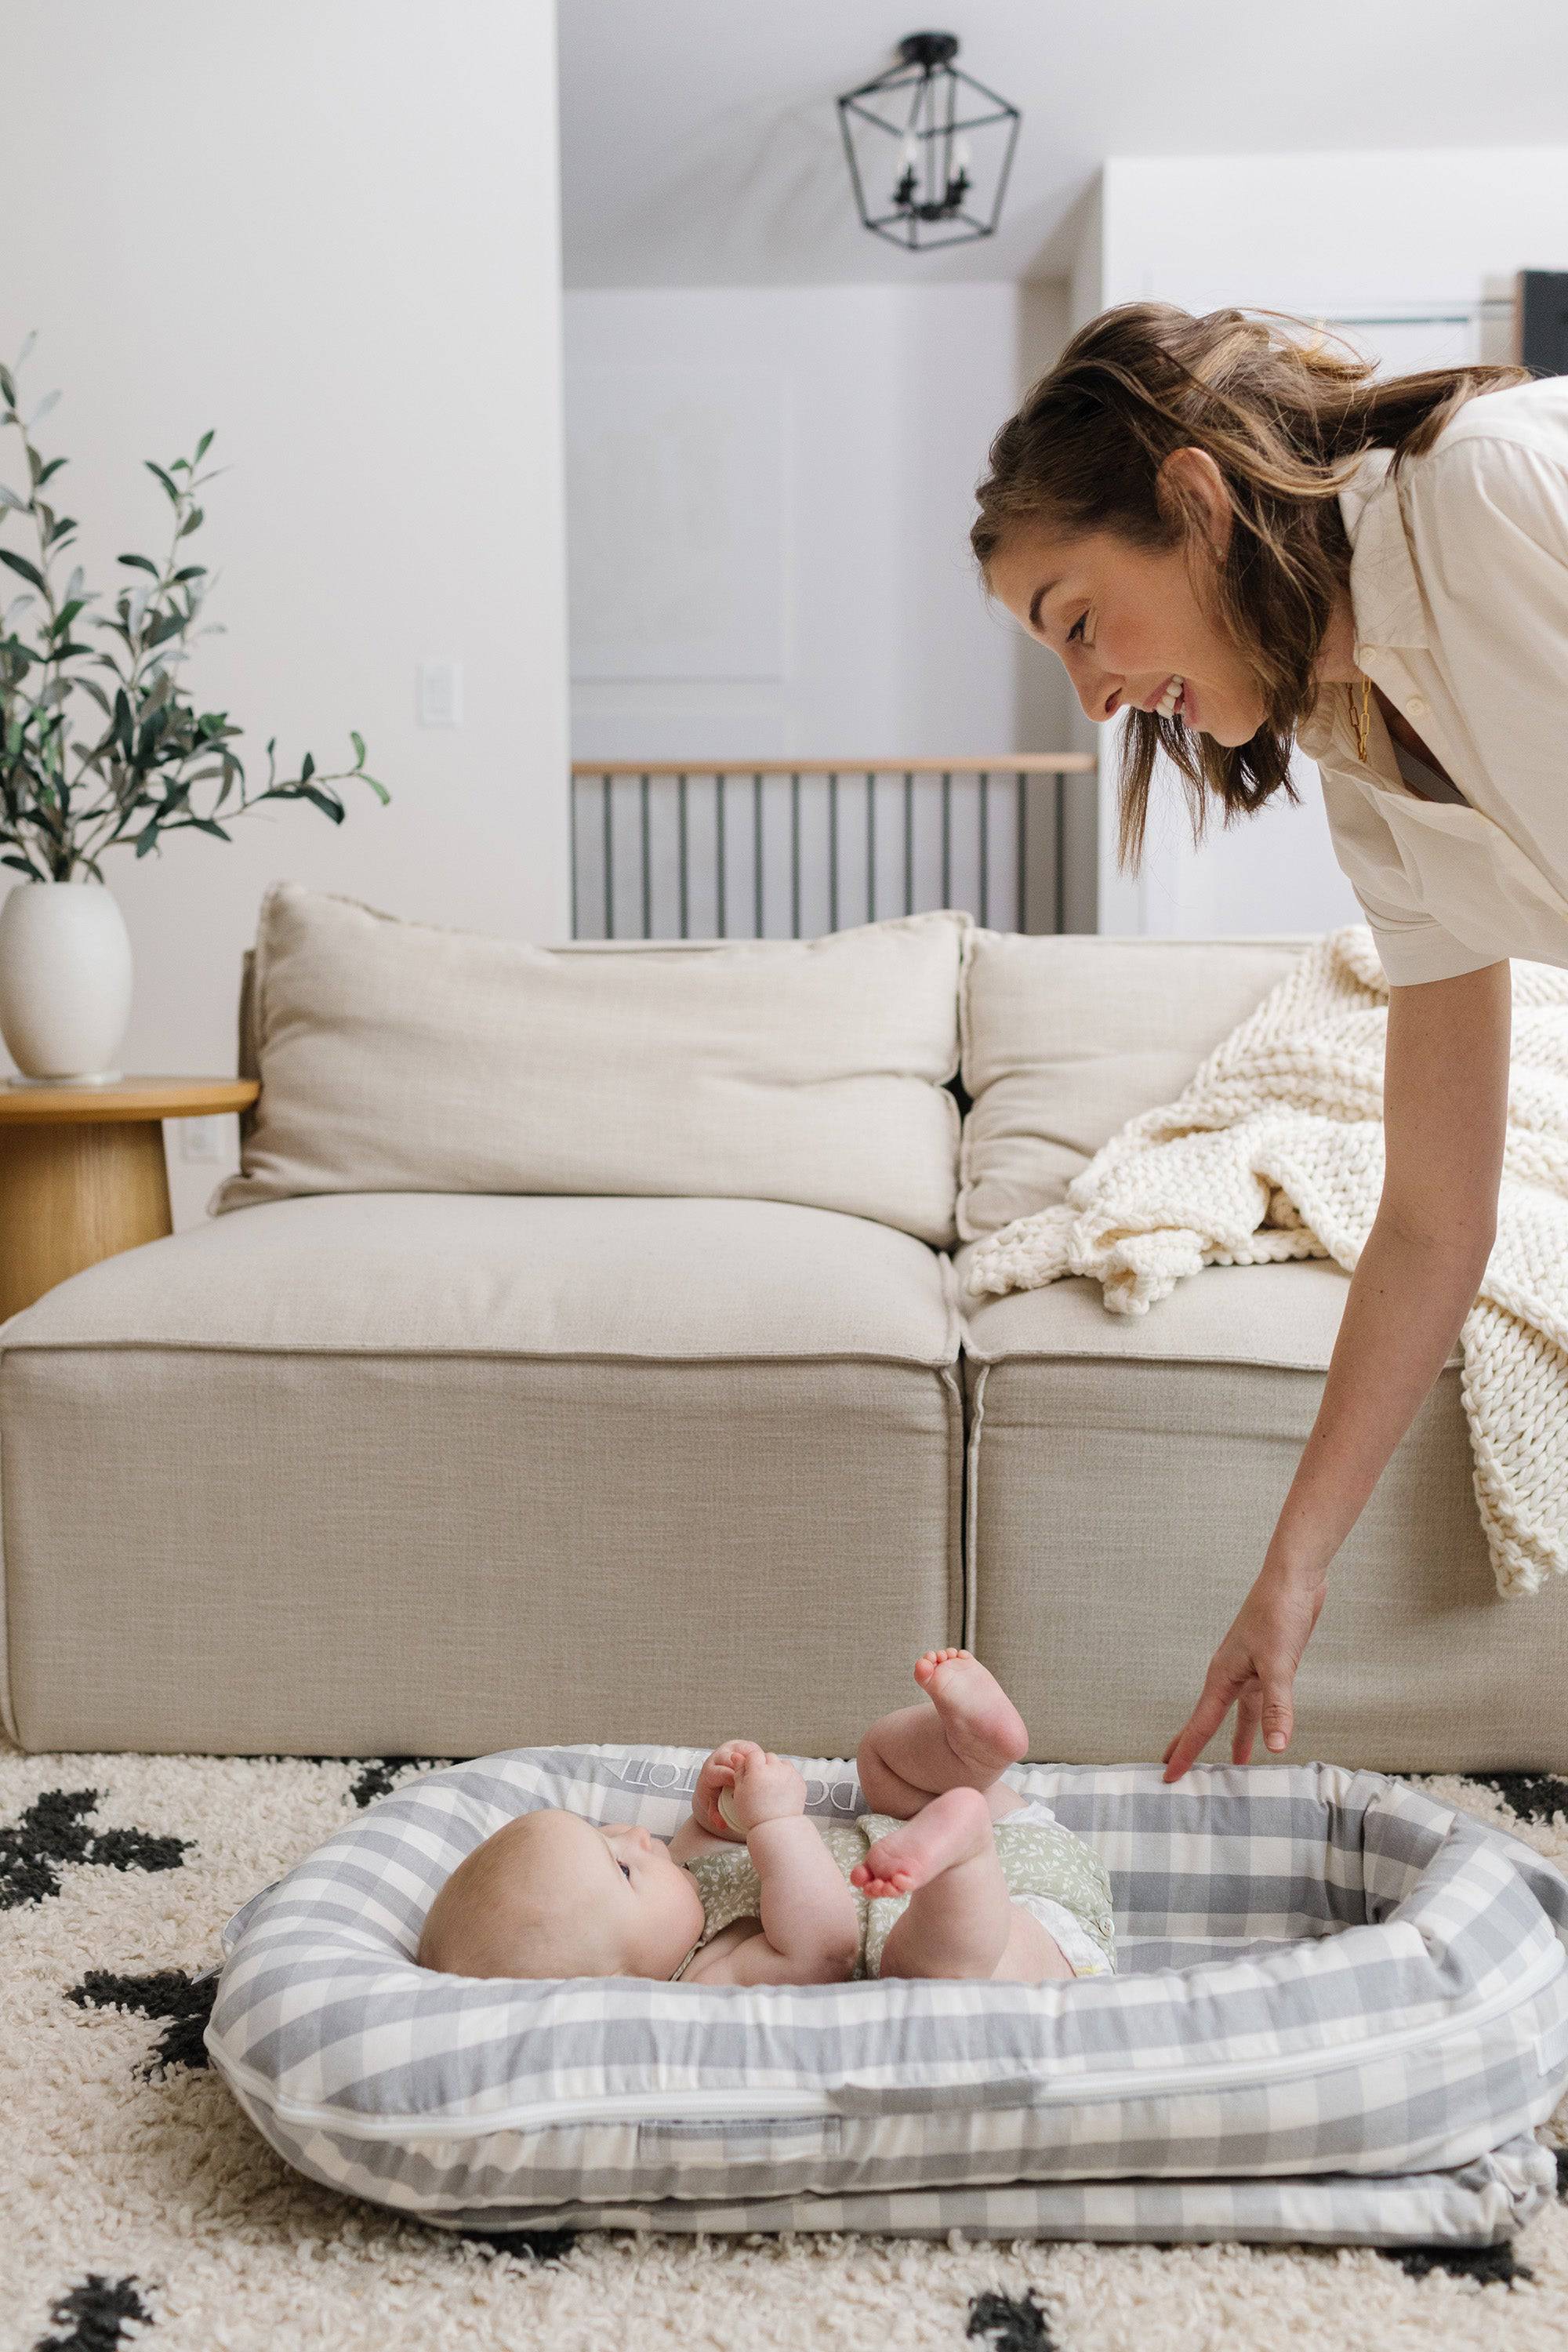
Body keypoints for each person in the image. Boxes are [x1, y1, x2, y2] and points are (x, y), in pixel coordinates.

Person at [971, 303, 1568, 1777]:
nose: (1095, 697)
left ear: (1191, 499)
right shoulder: (1362, 753)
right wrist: (1289, 1575)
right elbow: (1435, 1218)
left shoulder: (1488, 490)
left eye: (1080, 621)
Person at [417, 1650, 1116, 1985]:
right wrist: (778, 1826)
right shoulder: (703, 1987)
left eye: (602, 1832)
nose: (633, 1834)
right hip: (1019, 1941)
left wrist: (717, 1808)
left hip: (987, 1847)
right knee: (928, 1975)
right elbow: (826, 1946)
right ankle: (962, 1845)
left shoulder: (680, 1888)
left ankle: (973, 1751)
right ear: (618, 1980)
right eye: (622, 1866)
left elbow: (713, 1847)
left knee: (881, 1763)